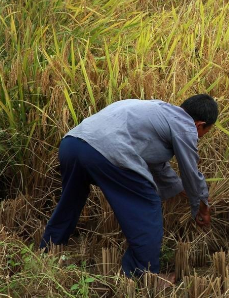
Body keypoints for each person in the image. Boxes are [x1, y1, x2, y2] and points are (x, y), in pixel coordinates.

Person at [40, 94, 218, 283]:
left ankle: (48, 250)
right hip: (106, 150)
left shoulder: (158, 111)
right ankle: (144, 276)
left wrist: (185, 194)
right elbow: (190, 171)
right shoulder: (186, 126)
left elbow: (160, 169)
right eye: (204, 132)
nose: (199, 137)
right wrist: (202, 205)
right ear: (200, 125)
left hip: (72, 144)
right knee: (148, 205)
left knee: (72, 199)